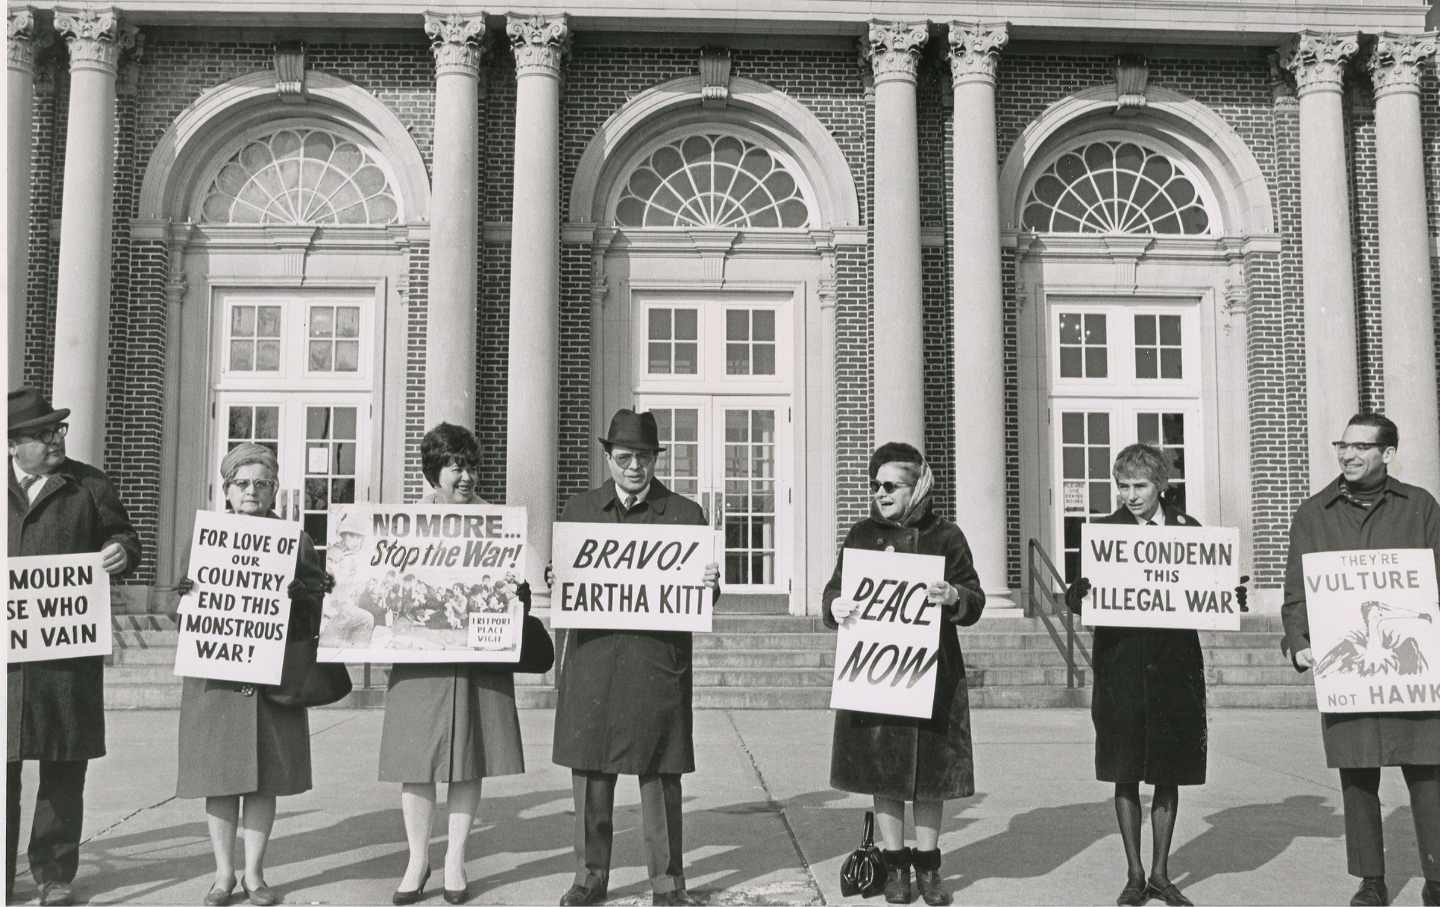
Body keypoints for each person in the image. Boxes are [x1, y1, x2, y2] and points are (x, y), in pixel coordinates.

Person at [1064, 443, 1246, 907]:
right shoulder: (1104, 534)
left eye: (1139, 486)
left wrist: (1232, 594)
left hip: (1174, 667)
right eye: (1122, 486)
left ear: (1162, 485)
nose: (1130, 495)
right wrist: (1079, 592)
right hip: (1120, 665)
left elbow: (1211, 590)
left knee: (1169, 770)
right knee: (1124, 770)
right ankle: (1134, 873)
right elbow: (1076, 599)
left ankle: (1162, 874)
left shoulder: (1190, 531)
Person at [551, 409, 721, 907]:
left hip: (655, 662)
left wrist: (709, 587)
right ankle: (589, 877)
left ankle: (668, 883)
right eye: (624, 457)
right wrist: (556, 578)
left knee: (660, 774)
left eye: (644, 458)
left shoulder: (685, 514)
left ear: (655, 460)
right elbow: (564, 581)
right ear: (608, 457)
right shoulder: (580, 511)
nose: (634, 468)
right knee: (590, 772)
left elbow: (701, 599)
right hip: (595, 659)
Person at [1281, 414, 1440, 907]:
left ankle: (1437, 878)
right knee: (1357, 776)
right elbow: (1295, 594)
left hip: (1413, 671)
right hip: (1350, 671)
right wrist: (1299, 640)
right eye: (1342, 446)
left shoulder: (1421, 508)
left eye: (1359, 448)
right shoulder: (1313, 514)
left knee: (1429, 773)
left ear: (1387, 453)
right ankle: (1371, 879)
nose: (1347, 455)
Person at [823, 442, 984, 907]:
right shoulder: (860, 534)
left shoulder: (947, 536)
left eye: (890, 485)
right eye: (875, 486)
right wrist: (834, 606)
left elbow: (974, 597)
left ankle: (928, 867)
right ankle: (895, 866)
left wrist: (954, 596)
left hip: (933, 678)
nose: (880, 493)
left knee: (930, 777)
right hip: (878, 676)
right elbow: (835, 590)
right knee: (885, 775)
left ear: (917, 487)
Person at [174, 443, 329, 907]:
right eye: (243, 483)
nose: (252, 491)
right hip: (216, 678)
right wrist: (187, 596)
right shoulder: (205, 537)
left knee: (266, 778)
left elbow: (319, 604)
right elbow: (181, 614)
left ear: (275, 490)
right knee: (219, 779)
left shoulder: (293, 540)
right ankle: (223, 875)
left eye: (262, 483)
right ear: (226, 489)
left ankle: (255, 874)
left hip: (272, 676)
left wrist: (303, 595)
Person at [379, 423, 526, 906]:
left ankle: (455, 859)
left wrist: (519, 591)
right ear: (434, 472)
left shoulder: (498, 523)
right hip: (420, 658)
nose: (466, 476)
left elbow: (517, 584)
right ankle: (417, 858)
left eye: (471, 465)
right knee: (415, 761)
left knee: (468, 758)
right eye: (455, 466)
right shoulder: (405, 523)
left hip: (477, 655)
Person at [7, 387, 141, 907]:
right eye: (43, 434)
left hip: (67, 659)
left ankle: (54, 874)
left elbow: (127, 538)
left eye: (58, 429)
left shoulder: (88, 484)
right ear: (12, 445)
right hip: (7, 664)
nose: (56, 438)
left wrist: (119, 553)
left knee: (63, 769)